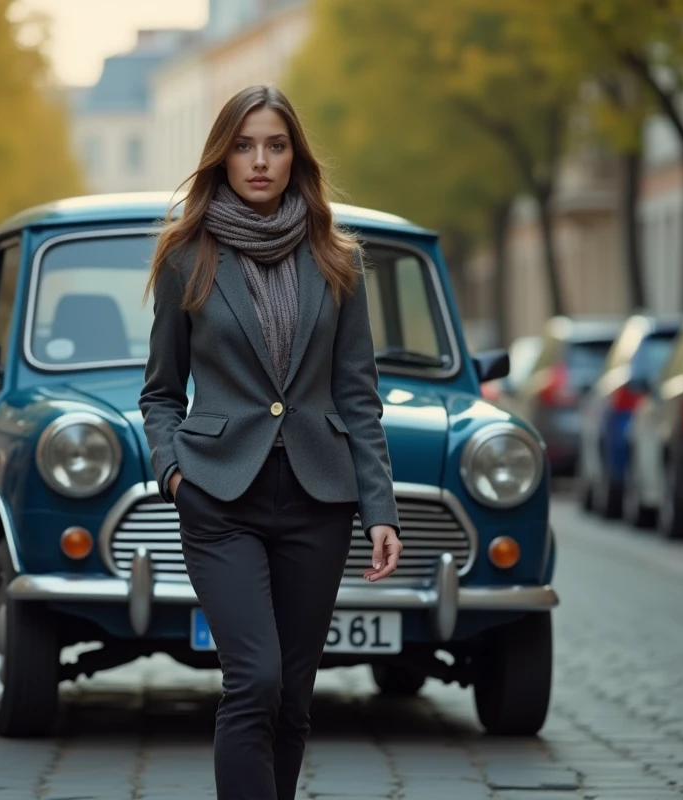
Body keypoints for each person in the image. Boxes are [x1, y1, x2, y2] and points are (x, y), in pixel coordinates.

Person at [139, 84, 403, 800]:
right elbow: (160, 393)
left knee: (292, 696)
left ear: (296, 158)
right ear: (223, 155)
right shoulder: (186, 258)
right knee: (254, 682)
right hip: (220, 497)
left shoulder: (338, 259)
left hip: (318, 499)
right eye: (245, 145)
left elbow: (357, 396)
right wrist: (172, 477)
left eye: (276, 145)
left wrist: (380, 509)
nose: (260, 160)